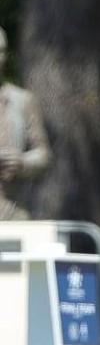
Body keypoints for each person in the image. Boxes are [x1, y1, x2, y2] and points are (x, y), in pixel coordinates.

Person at [0, 26, 51, 221]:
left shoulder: (22, 100)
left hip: (13, 213)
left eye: (1, 51)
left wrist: (22, 162)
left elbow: (44, 155)